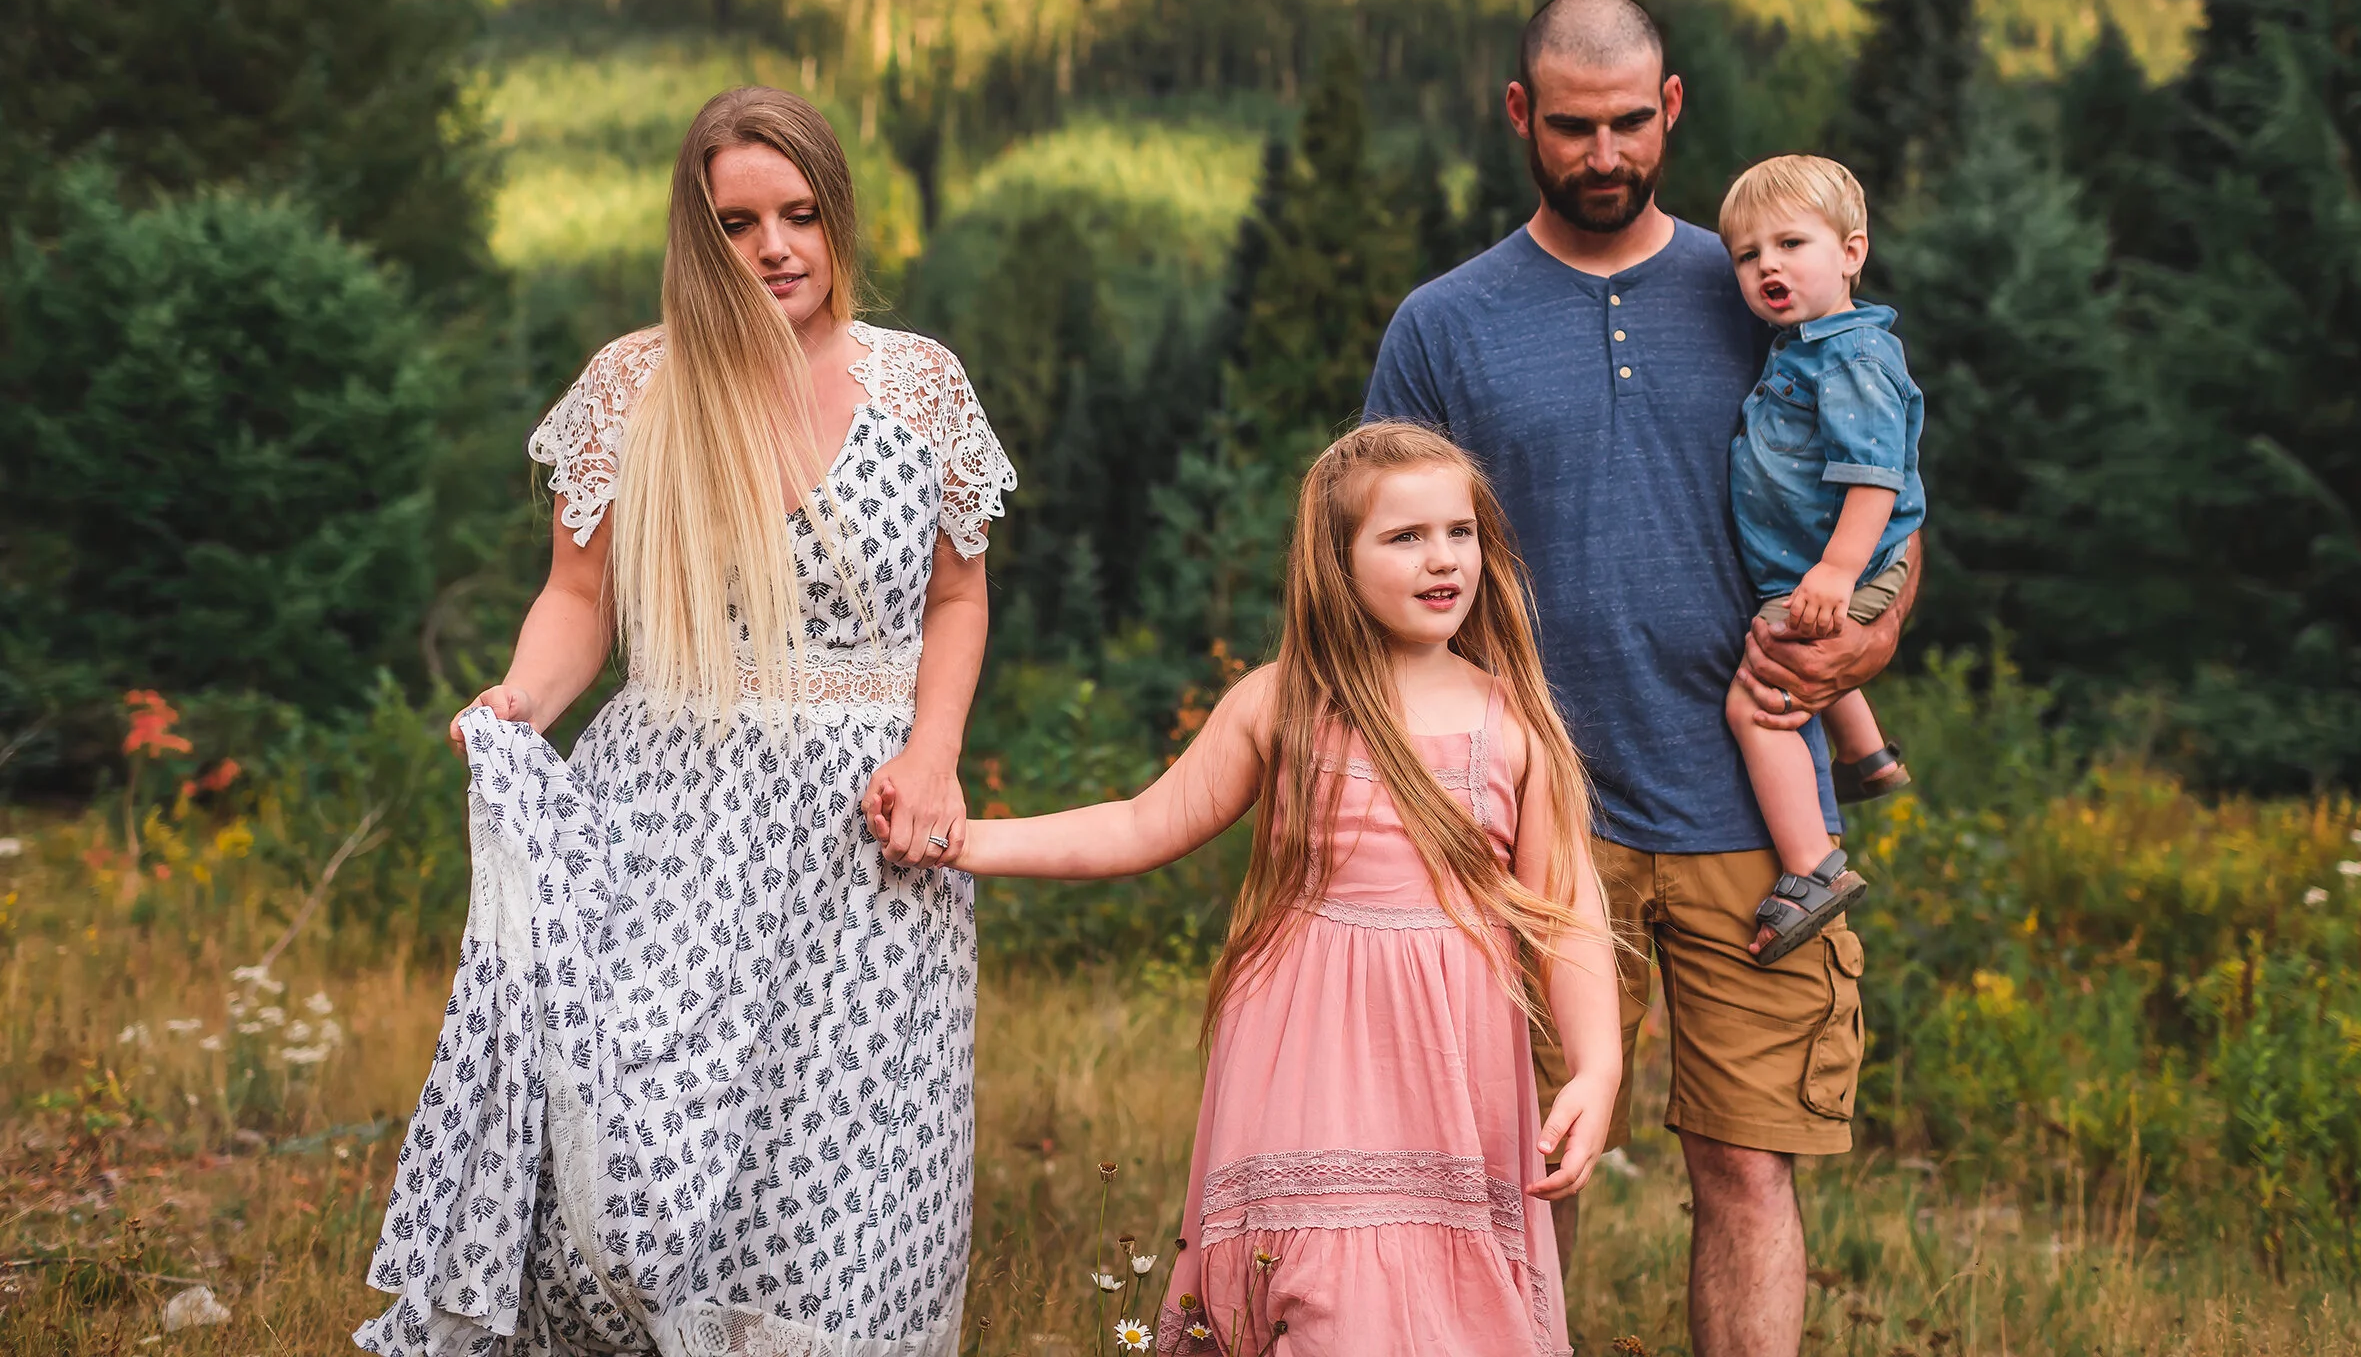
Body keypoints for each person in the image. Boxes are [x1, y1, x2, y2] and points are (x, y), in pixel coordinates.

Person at [359, 86, 1015, 1357]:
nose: (774, 247)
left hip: (868, 833)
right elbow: (579, 595)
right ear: (695, 230)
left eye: (800, 215)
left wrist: (932, 754)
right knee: (632, 1159)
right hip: (668, 817)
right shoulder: (635, 384)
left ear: (837, 217)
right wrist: (519, 698)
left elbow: (958, 598)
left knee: (847, 1177)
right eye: (737, 222)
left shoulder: (921, 383)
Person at [1364, 0, 1919, 1357]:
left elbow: (1883, 489)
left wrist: (1873, 634)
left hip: (1751, 815)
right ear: (1520, 115)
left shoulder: (1761, 282)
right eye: (1571, 127)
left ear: (1670, 107)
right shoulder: (1443, 324)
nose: (1603, 153)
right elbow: (1372, 563)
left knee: (1748, 1166)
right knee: (1525, 1163)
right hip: (1528, 811)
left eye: (1627, 121)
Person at [890, 422, 1617, 1357]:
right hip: (1306, 1058)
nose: (1443, 559)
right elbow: (1140, 826)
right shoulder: (1283, 702)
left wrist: (1596, 1066)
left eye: (1460, 532)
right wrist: (959, 840)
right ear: (1336, 561)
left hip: (1452, 1068)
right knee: (1321, 1299)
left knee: (1447, 1311)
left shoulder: (1511, 719)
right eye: (1405, 537)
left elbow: (1568, 910)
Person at [1718, 154, 1925, 963]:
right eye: (1748, 255)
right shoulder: (1805, 346)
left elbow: (1874, 478)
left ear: (1851, 252)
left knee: (1757, 701)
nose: (1767, 266)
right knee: (1811, 652)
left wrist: (1836, 573)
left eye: (1791, 244)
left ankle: (1813, 869)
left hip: (1846, 564)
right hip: (1816, 562)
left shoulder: (1852, 358)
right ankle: (1868, 758)